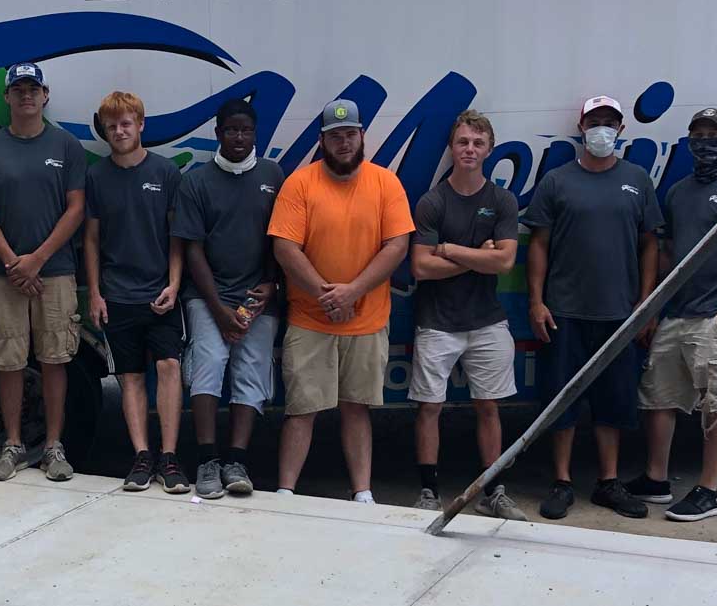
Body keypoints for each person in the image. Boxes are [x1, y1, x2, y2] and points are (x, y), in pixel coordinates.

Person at [629, 108, 717, 521]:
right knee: (658, 397)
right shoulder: (678, 192)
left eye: (713, 134)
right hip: (678, 313)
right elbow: (670, 253)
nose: (705, 141)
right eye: (698, 134)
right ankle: (656, 479)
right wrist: (656, 306)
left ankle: (710, 491)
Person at [523, 95, 662, 520]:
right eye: (595, 121)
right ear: (581, 128)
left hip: (619, 315)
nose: (602, 129)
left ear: (621, 131)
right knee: (561, 402)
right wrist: (536, 301)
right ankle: (562, 481)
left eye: (610, 122)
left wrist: (646, 304)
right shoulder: (557, 181)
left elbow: (650, 244)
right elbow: (538, 244)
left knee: (614, 402)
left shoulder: (637, 179)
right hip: (564, 311)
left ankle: (608, 482)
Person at [268, 100, 414, 502]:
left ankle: (362, 492)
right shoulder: (300, 184)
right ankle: (285, 491)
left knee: (356, 408)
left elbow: (397, 245)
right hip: (310, 319)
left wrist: (352, 291)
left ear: (362, 136)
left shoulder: (386, 183)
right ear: (323, 141)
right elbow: (285, 248)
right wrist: (326, 295)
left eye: (351, 134)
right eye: (336, 136)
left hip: (366, 318)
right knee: (301, 409)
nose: (344, 142)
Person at [0, 63, 86, 483]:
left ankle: (54, 446)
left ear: (45, 94)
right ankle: (13, 444)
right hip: (6, 276)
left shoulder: (67, 145)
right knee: (8, 362)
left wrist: (36, 258)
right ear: (6, 98)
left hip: (54, 272)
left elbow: (76, 208)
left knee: (55, 360)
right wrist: (13, 262)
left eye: (32, 89)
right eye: (17, 90)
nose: (25, 96)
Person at [409, 110, 527, 520]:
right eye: (463, 142)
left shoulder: (502, 200)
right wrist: (481, 256)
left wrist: (452, 250)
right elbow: (421, 268)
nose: (470, 150)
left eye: (478, 143)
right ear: (452, 148)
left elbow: (506, 262)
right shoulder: (432, 201)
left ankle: (493, 490)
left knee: (489, 407)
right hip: (437, 320)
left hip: (486, 321)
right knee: (429, 408)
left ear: (490, 149)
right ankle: (428, 491)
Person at [171, 98, 284, 499]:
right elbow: (192, 249)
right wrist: (219, 310)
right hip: (207, 297)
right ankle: (207, 460)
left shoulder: (273, 175)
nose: (239, 137)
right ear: (218, 134)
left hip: (259, 297)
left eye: (246, 130)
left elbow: (279, 240)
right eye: (231, 130)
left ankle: (236, 460)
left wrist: (271, 284)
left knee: (251, 373)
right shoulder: (197, 182)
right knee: (210, 364)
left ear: (255, 135)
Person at [85, 91, 189, 493]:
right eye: (111, 126)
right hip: (116, 295)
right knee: (129, 377)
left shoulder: (165, 173)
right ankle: (142, 457)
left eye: (126, 123)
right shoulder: (96, 176)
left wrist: (175, 284)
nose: (119, 131)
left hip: (159, 293)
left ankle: (170, 457)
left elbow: (176, 236)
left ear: (141, 125)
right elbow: (91, 241)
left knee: (168, 368)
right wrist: (94, 293)